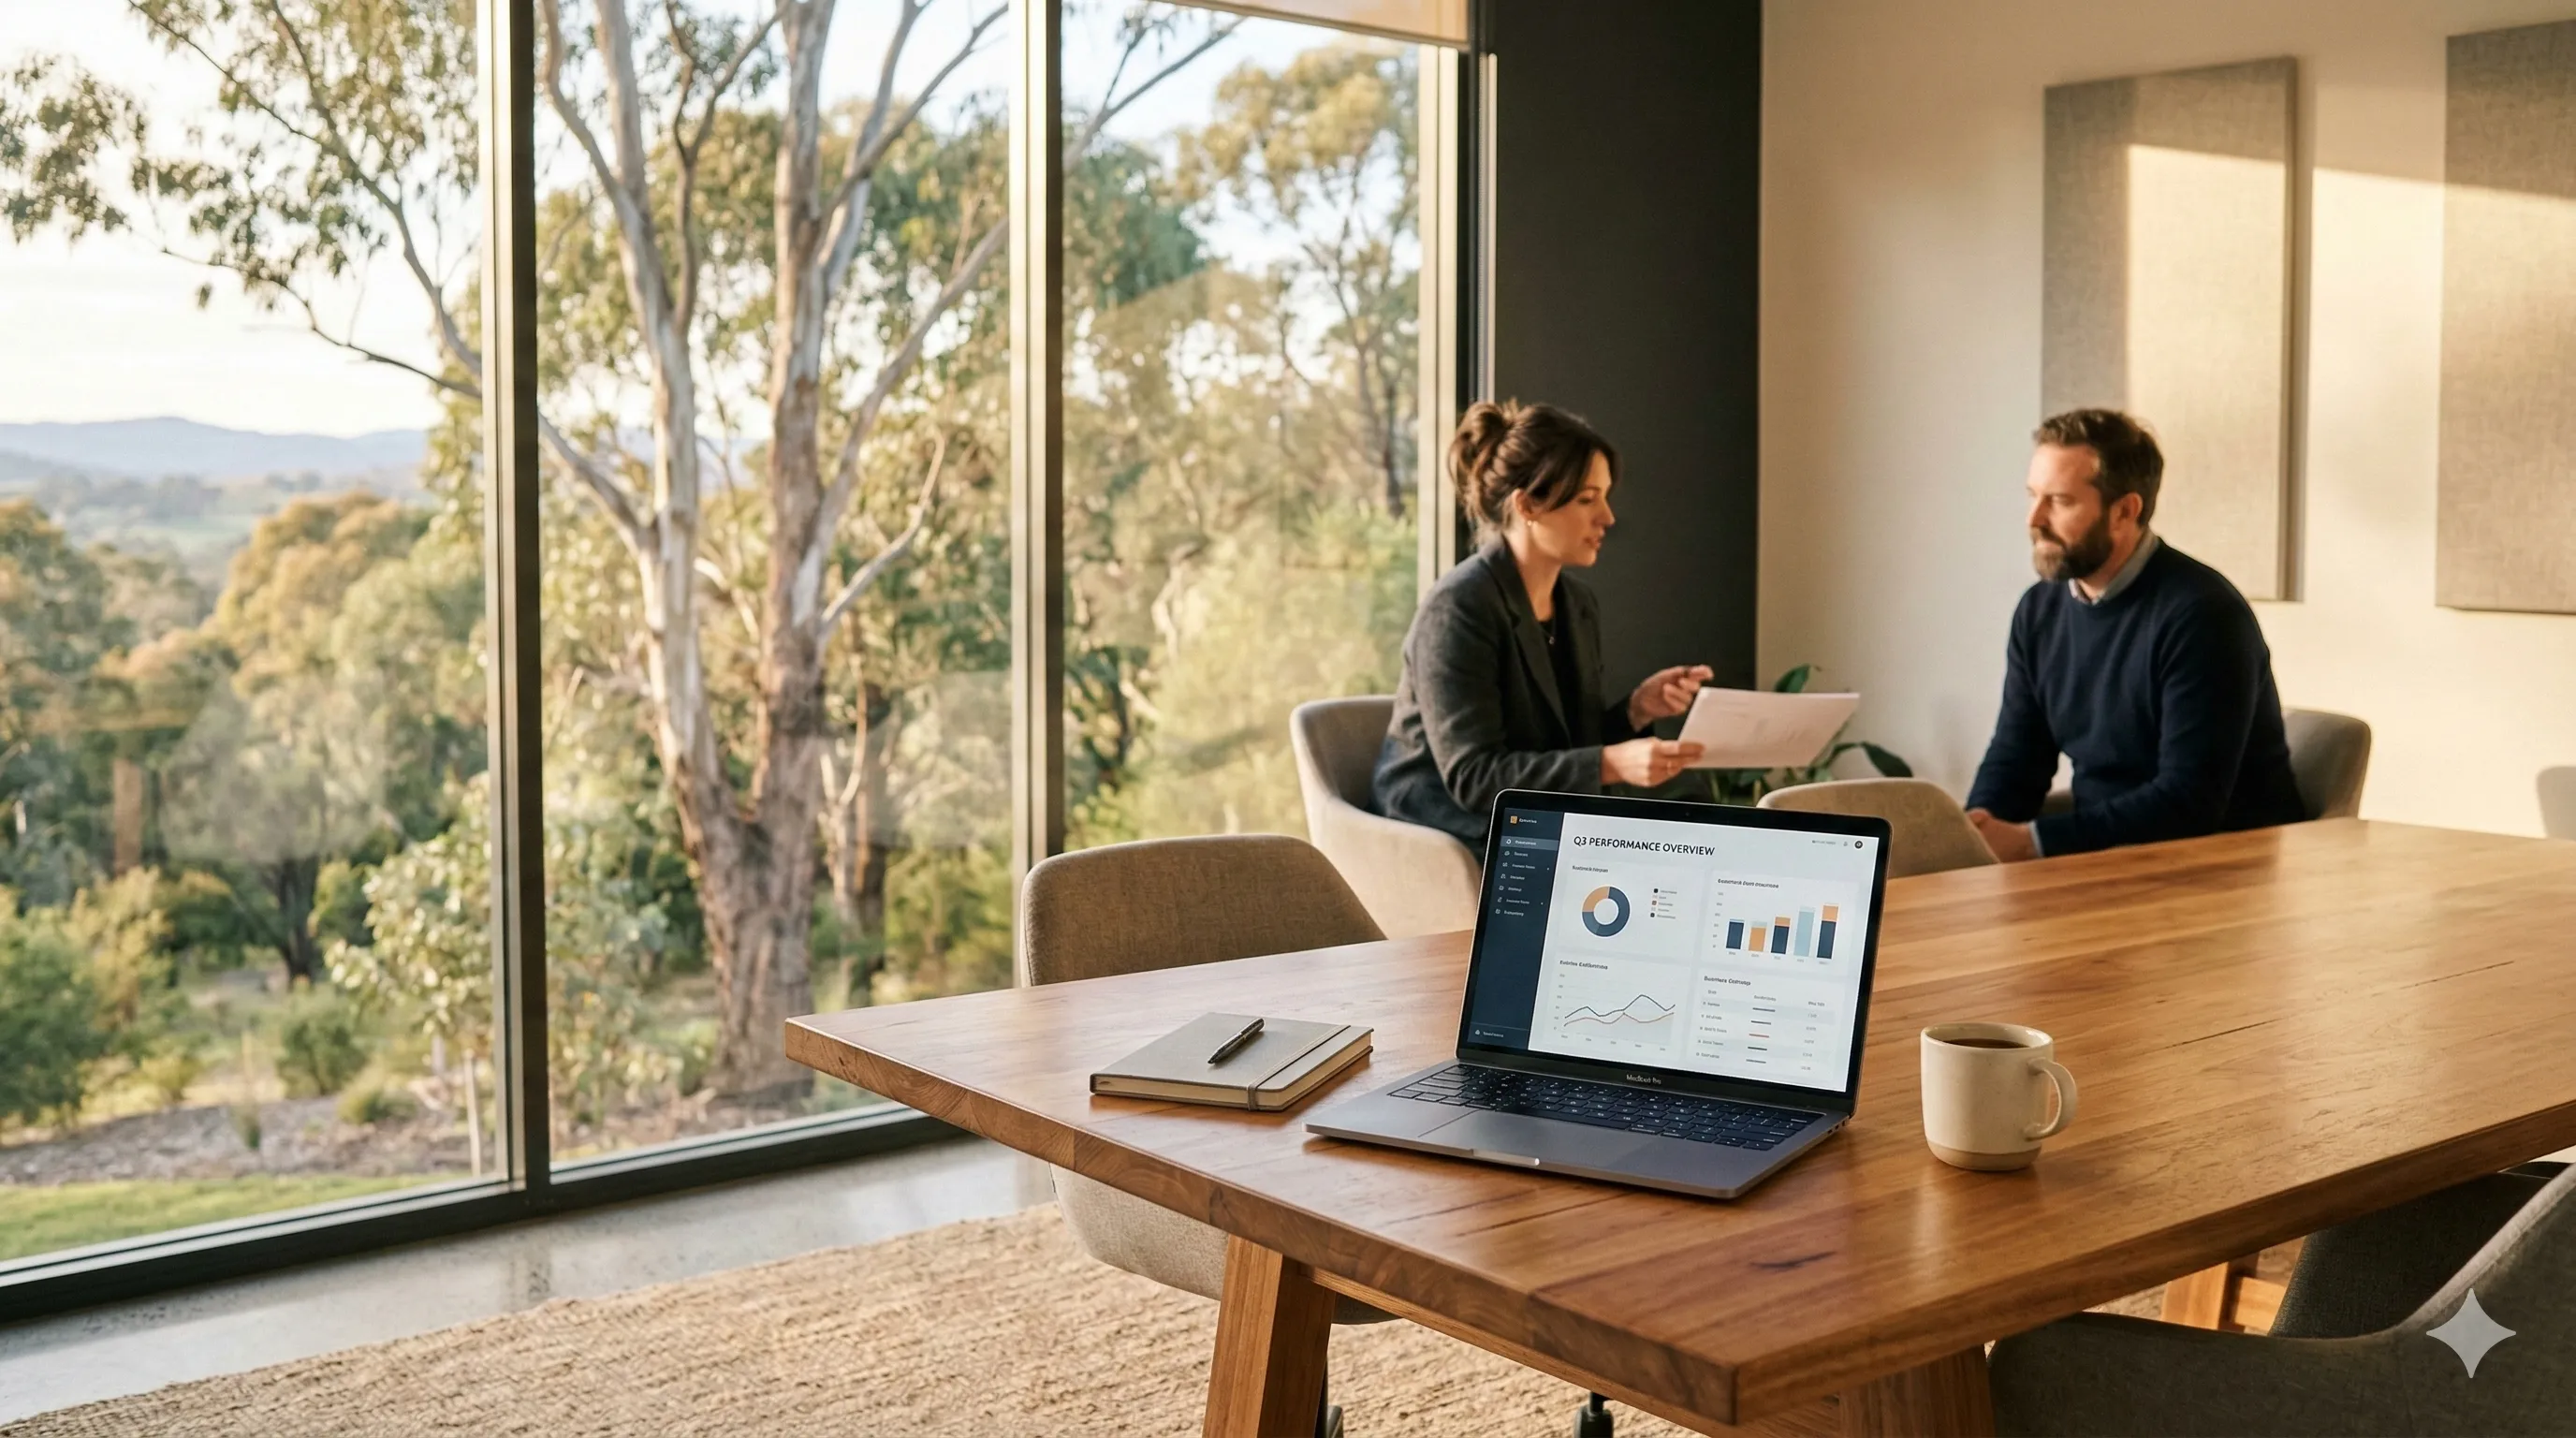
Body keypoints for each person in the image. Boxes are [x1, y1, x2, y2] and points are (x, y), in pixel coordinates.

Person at [1965, 408, 2305, 861]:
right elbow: (2018, 756)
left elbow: (2189, 803)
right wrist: (1977, 832)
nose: (2035, 518)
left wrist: (2030, 843)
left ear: (2124, 511)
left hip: (2224, 869)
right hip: (2106, 861)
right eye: (2033, 495)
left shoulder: (2203, 615)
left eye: (2060, 501)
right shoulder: (2038, 611)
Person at [1374, 400, 1712, 852]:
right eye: (1587, 499)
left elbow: (1570, 744)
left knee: (1690, 805)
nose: (1607, 518)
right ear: (1528, 504)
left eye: (1606, 497)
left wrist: (1637, 710)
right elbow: (1476, 779)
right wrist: (1610, 764)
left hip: (1532, 815)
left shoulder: (1576, 604)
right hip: (1446, 824)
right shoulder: (1458, 609)